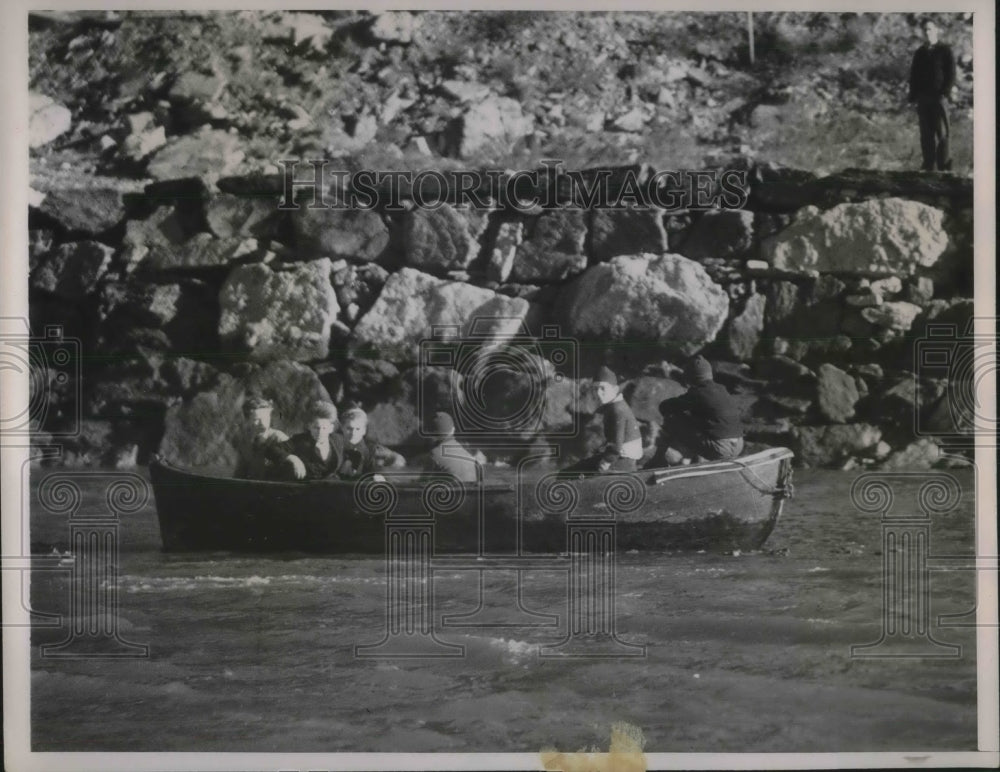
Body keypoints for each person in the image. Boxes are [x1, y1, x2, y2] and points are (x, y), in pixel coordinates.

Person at [649, 355, 744, 467]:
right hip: (739, 445)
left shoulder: (698, 393)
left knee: (673, 419)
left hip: (721, 449)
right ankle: (691, 460)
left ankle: (659, 460)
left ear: (690, 377)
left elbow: (665, 407)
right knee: (695, 421)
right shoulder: (721, 389)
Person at [566, 366, 643, 474]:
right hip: (618, 453)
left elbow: (617, 445)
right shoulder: (612, 405)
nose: (598, 393)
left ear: (615, 389)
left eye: (603, 388)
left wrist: (606, 461)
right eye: (595, 389)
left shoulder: (618, 410)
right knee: (578, 468)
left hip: (624, 457)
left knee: (585, 474)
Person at [908, 18, 956, 172]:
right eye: (925, 30)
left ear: (936, 31)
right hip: (923, 98)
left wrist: (945, 92)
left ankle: (944, 167)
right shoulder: (920, 53)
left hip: (939, 97)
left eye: (930, 29)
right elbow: (914, 75)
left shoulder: (945, 50)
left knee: (942, 132)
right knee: (926, 133)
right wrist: (913, 96)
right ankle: (928, 165)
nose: (927, 32)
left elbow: (951, 74)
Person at [336, 407, 406, 479]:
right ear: (342, 428)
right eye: (349, 428)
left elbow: (396, 459)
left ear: (364, 430)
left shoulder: (370, 449)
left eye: (358, 429)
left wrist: (393, 459)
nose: (353, 433)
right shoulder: (336, 445)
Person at [283, 401, 345, 481]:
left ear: (331, 428)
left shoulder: (338, 440)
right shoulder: (300, 440)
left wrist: (350, 462)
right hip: (306, 490)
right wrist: (293, 458)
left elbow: (354, 450)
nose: (320, 432)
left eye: (324, 428)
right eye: (316, 428)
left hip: (332, 488)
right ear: (309, 426)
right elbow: (273, 449)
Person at [233, 395, 291, 480]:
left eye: (266, 418)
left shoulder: (279, 438)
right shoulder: (245, 442)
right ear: (247, 420)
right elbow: (239, 476)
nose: (263, 424)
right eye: (257, 419)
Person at [414, 411, 481, 483]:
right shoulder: (467, 453)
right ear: (453, 429)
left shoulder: (435, 454)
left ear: (432, 434)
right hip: (471, 492)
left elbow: (421, 483)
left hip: (449, 492)